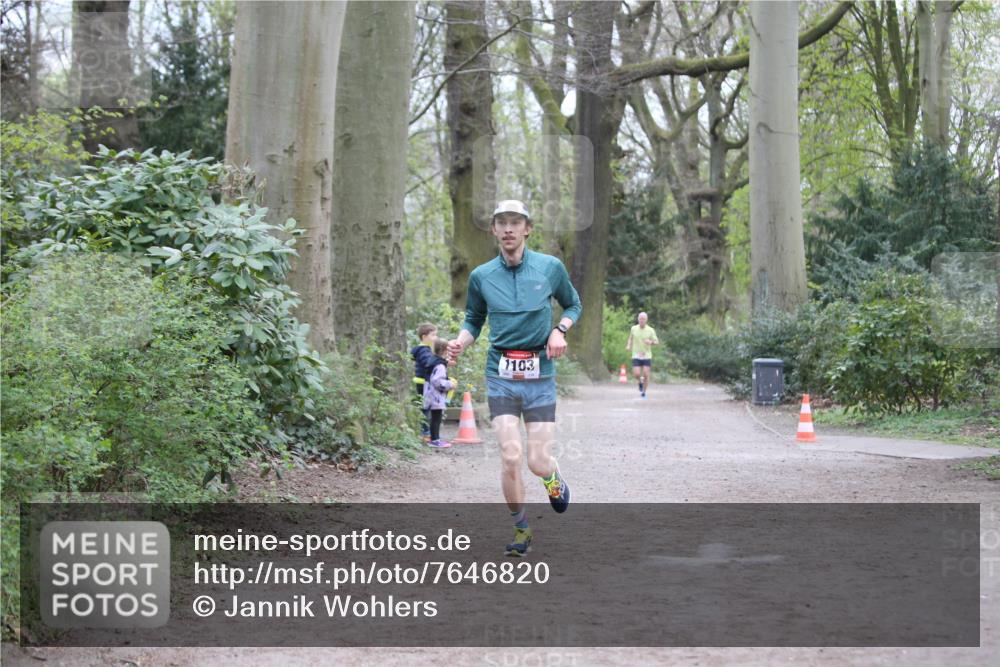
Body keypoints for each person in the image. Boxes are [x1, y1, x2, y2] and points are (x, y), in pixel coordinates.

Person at [447, 199, 582, 557]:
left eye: (515, 222)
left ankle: (552, 478)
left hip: (539, 375)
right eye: (501, 223)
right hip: (501, 374)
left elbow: (573, 304)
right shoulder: (481, 276)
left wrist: (559, 331)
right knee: (510, 455)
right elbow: (474, 320)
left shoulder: (549, 268)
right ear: (493, 230)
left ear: (527, 229)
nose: (508, 228)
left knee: (537, 461)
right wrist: (460, 341)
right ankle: (521, 529)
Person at [423, 338, 455, 449]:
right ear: (444, 350)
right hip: (436, 396)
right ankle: (435, 440)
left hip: (429, 393)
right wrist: (450, 384)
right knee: (436, 418)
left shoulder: (433, 361)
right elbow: (437, 381)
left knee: (434, 418)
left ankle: (434, 438)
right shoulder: (440, 366)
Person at [411, 323, 437, 441]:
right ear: (424, 336)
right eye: (433, 335)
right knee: (426, 407)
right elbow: (428, 363)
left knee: (426, 407)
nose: (435, 338)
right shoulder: (424, 350)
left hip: (423, 383)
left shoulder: (424, 350)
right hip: (424, 383)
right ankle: (425, 432)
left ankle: (425, 431)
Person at [625, 311, 659, 398]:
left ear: (646, 320)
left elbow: (656, 342)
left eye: (643, 319)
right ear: (638, 319)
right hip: (636, 354)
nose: (641, 320)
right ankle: (640, 381)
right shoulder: (633, 328)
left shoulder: (651, 330)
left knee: (646, 374)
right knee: (636, 374)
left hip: (646, 355)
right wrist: (628, 345)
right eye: (640, 318)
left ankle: (644, 392)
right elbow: (630, 338)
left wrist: (650, 342)